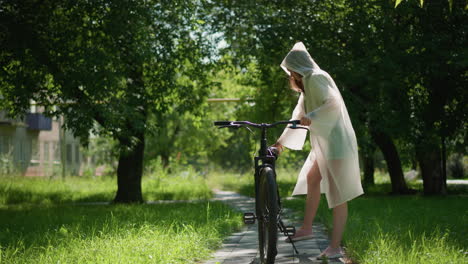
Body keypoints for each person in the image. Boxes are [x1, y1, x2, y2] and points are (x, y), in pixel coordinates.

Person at [272, 42, 364, 259]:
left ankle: (335, 247)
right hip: (325, 142)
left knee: (337, 193)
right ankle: (306, 228)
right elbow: (297, 116)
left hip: (337, 143)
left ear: (298, 67)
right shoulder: (308, 84)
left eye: (291, 70)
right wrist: (280, 144)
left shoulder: (316, 77)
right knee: (313, 179)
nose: (291, 75)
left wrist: (311, 118)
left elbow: (333, 104)